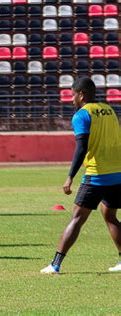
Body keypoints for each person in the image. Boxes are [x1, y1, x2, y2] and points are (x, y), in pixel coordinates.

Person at [41, 77, 121, 274]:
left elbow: (82, 146)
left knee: (77, 217)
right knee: (109, 214)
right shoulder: (109, 110)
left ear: (81, 94)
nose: (71, 99)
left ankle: (55, 264)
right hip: (117, 174)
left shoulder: (81, 115)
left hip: (96, 174)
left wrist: (70, 176)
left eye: (73, 94)